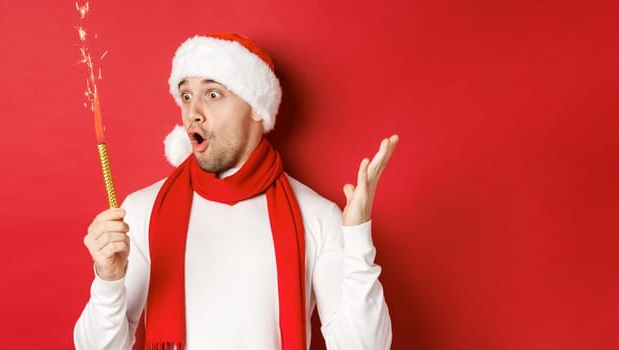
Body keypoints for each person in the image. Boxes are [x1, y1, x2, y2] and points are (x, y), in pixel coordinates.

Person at [74, 32, 396, 350]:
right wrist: (108, 279)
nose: (193, 113)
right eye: (186, 96)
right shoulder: (143, 211)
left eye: (213, 95)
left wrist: (357, 237)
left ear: (257, 108)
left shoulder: (316, 215)